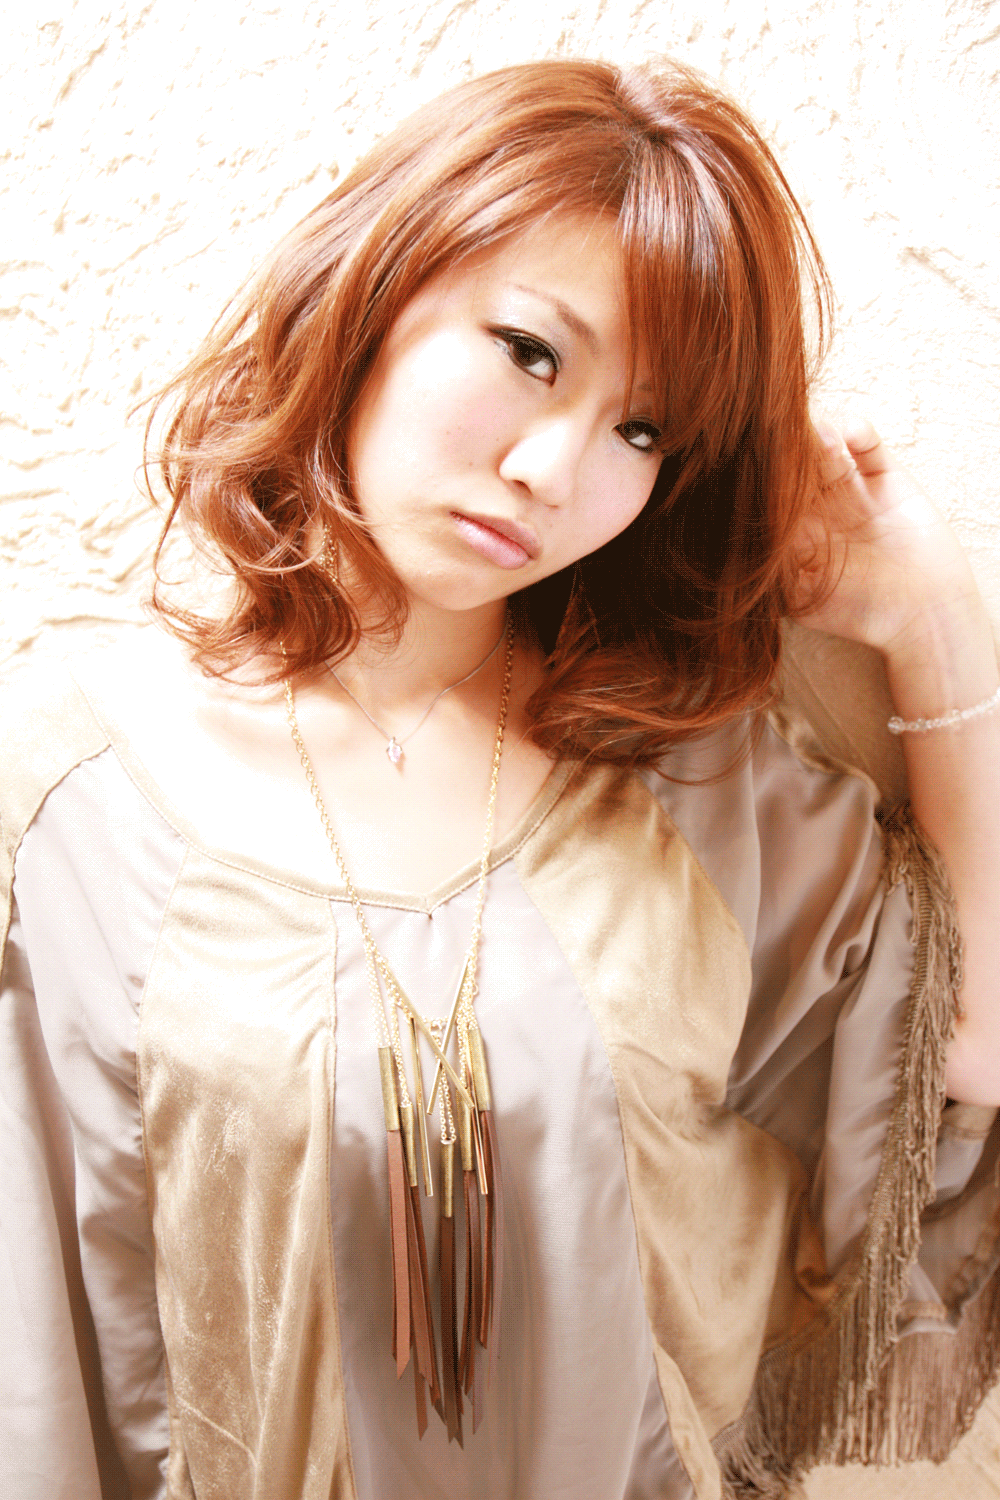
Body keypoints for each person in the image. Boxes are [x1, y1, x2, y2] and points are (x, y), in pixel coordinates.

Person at [2, 56, 999, 1500]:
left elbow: (966, 1065)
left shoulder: (690, 780)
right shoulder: (72, 793)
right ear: (377, 284)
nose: (553, 467)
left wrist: (936, 623)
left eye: (641, 430)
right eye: (531, 351)